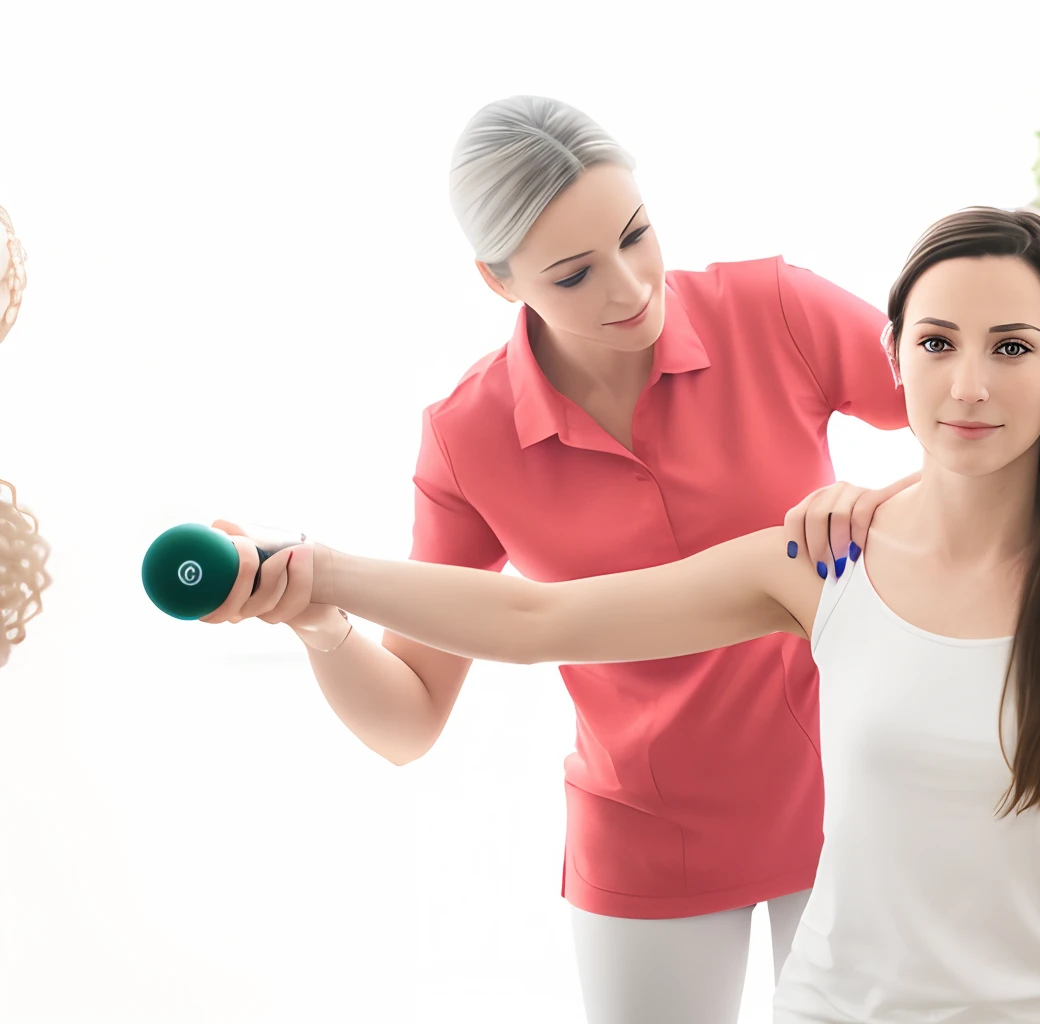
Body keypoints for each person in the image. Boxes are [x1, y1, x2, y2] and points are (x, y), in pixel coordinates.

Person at [208, 205, 1040, 1023]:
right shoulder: (826, 563)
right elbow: (536, 621)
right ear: (895, 356)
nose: (968, 382)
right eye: (936, 342)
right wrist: (319, 576)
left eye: (1011, 347)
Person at [205, 96, 916, 1023]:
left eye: (637, 235)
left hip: (849, 799)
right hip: (648, 836)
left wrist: (877, 504)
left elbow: (993, 427)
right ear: (498, 281)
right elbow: (408, 721)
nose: (630, 289)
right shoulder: (469, 436)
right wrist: (317, 621)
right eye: (576, 275)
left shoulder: (773, 310)